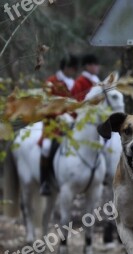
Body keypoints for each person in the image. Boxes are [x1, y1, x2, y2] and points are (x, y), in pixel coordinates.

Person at [40, 55, 79, 196]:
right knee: (45, 147)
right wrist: (60, 115)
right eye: (72, 68)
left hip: (73, 125)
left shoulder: (73, 83)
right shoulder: (51, 82)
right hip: (53, 125)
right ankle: (44, 182)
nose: (73, 71)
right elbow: (45, 105)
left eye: (74, 69)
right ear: (65, 68)